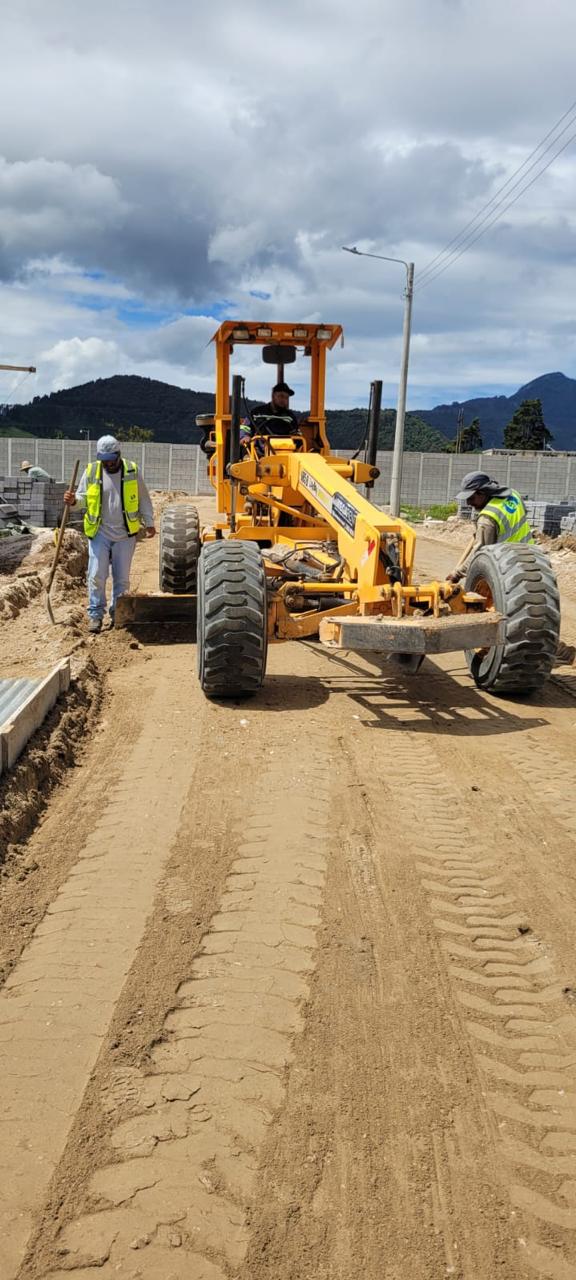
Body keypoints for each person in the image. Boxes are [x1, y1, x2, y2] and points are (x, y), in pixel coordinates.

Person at [449, 470, 575, 664]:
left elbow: (481, 553)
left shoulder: (487, 519)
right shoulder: (513, 496)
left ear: (483, 493)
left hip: (506, 568)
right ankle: (551, 645)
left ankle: (492, 647)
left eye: (471, 498)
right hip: (532, 559)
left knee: (498, 611)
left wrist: (457, 574)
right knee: (535, 609)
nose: (468, 503)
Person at [63, 434, 155, 633]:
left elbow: (144, 498)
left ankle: (118, 613)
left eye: (111, 460)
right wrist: (73, 501)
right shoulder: (92, 470)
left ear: (118, 455)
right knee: (96, 575)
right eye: (104, 460)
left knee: (121, 579)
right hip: (100, 533)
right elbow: (82, 498)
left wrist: (149, 522)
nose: (108, 464)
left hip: (125, 535)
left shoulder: (132, 470)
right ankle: (95, 615)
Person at [240, 382, 304, 447]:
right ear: (273, 396)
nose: (284, 400)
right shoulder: (256, 412)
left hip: (284, 452)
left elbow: (297, 436)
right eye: (281, 396)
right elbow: (244, 427)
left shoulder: (290, 417)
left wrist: (297, 438)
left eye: (286, 398)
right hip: (259, 454)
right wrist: (244, 436)